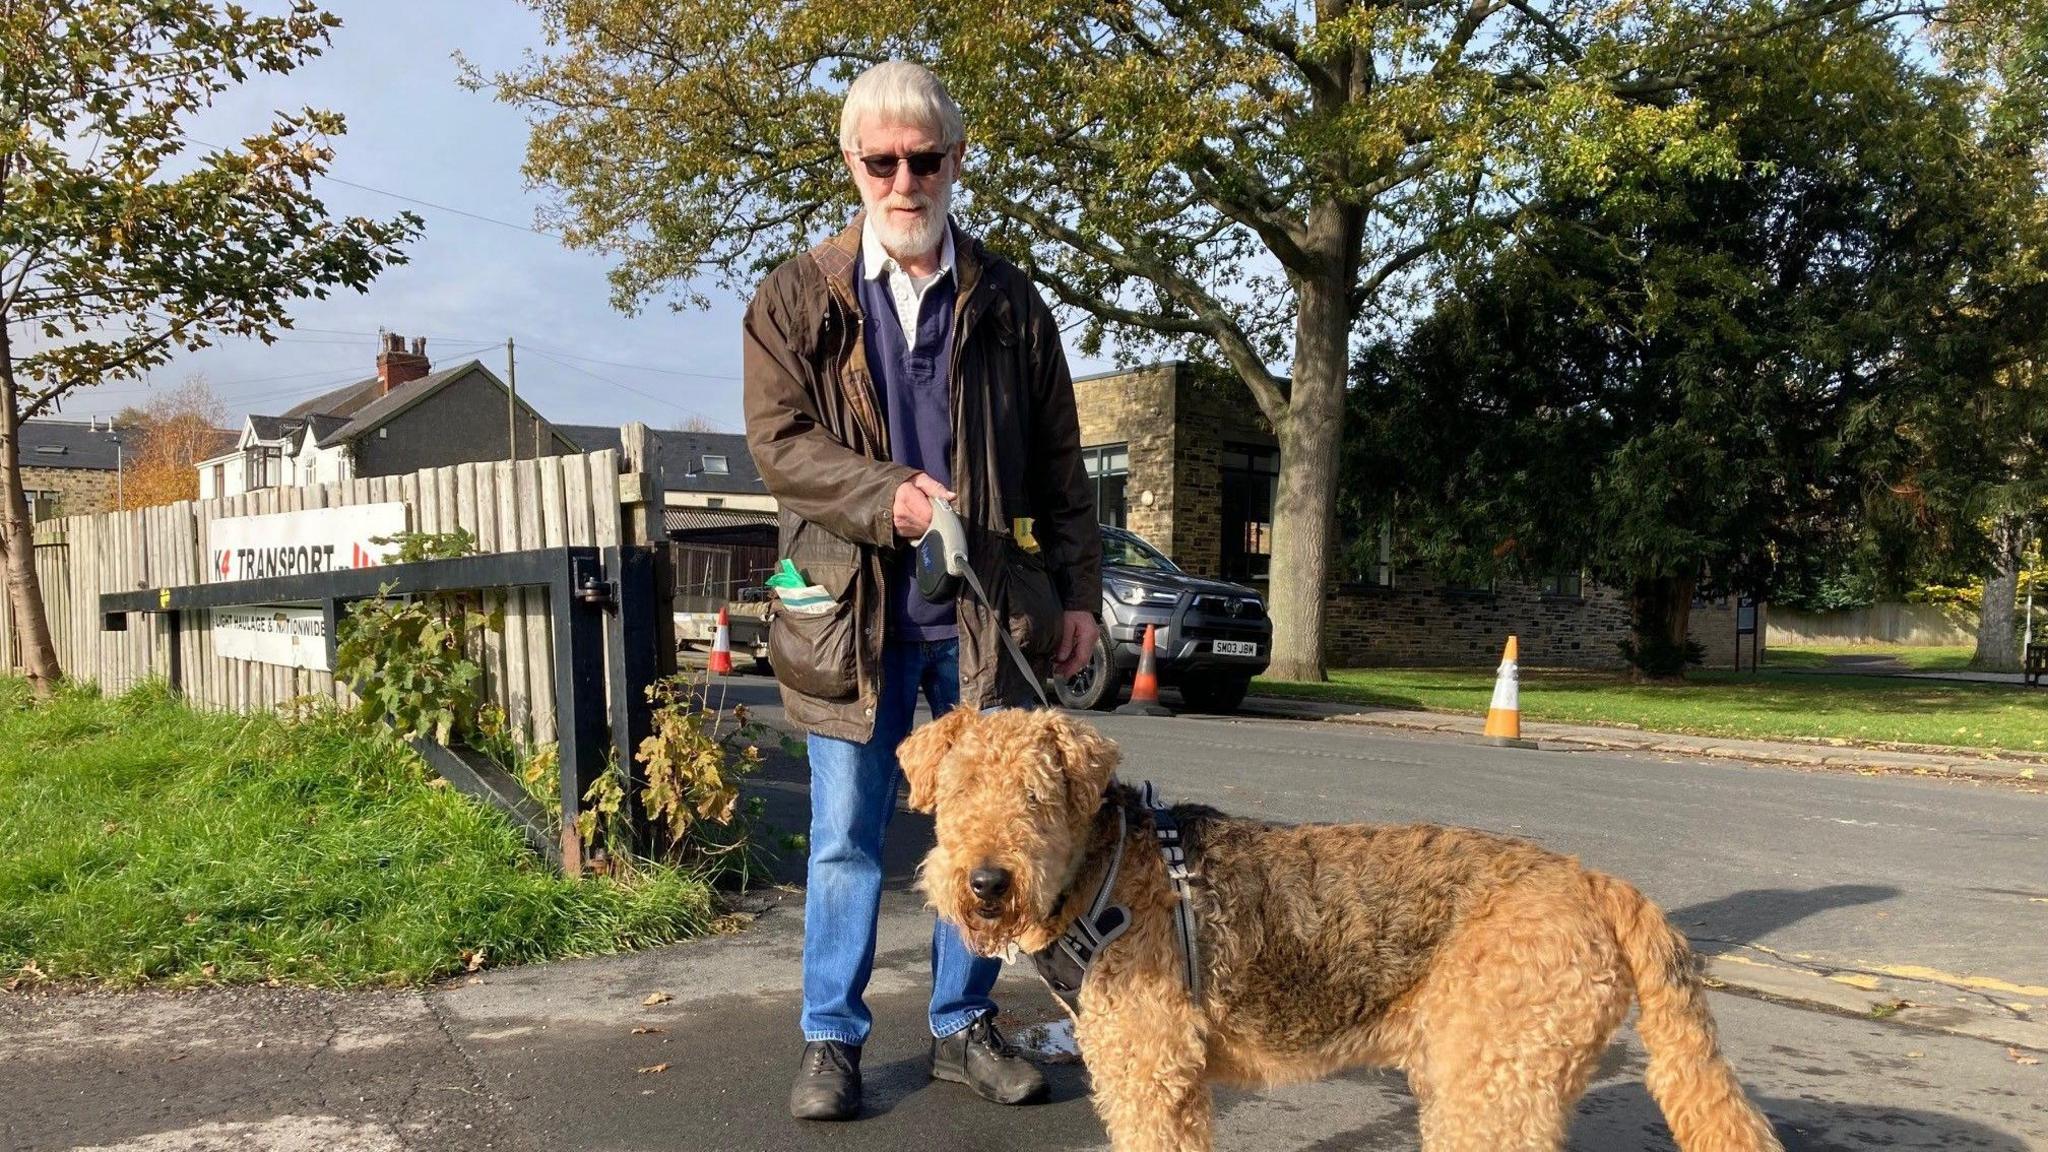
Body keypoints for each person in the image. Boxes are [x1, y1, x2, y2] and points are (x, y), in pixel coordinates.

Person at [742, 60, 1103, 1122]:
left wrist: (1077, 590)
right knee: (847, 836)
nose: (904, 179)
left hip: (981, 623)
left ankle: (960, 1024)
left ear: (954, 159)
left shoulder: (1009, 303)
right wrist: (887, 494)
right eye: (882, 160)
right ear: (851, 164)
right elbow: (779, 447)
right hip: (846, 620)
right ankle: (830, 1040)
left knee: (981, 840)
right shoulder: (793, 298)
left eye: (924, 157)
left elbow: (1060, 462)